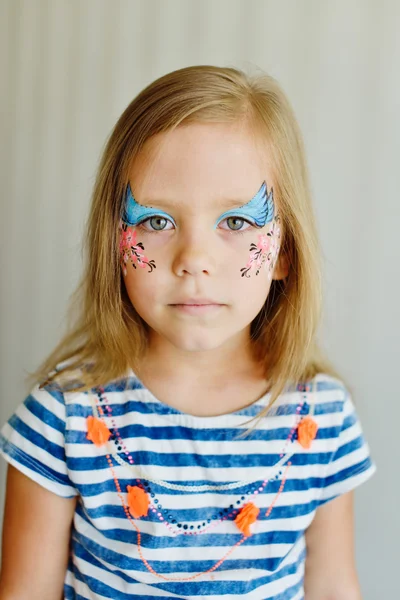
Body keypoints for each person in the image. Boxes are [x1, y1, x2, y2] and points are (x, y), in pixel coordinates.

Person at [0, 65, 375, 600]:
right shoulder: (62, 418)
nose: (194, 259)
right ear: (114, 242)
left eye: (237, 222)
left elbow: (336, 587)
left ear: (285, 252)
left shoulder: (322, 421)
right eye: (156, 221)